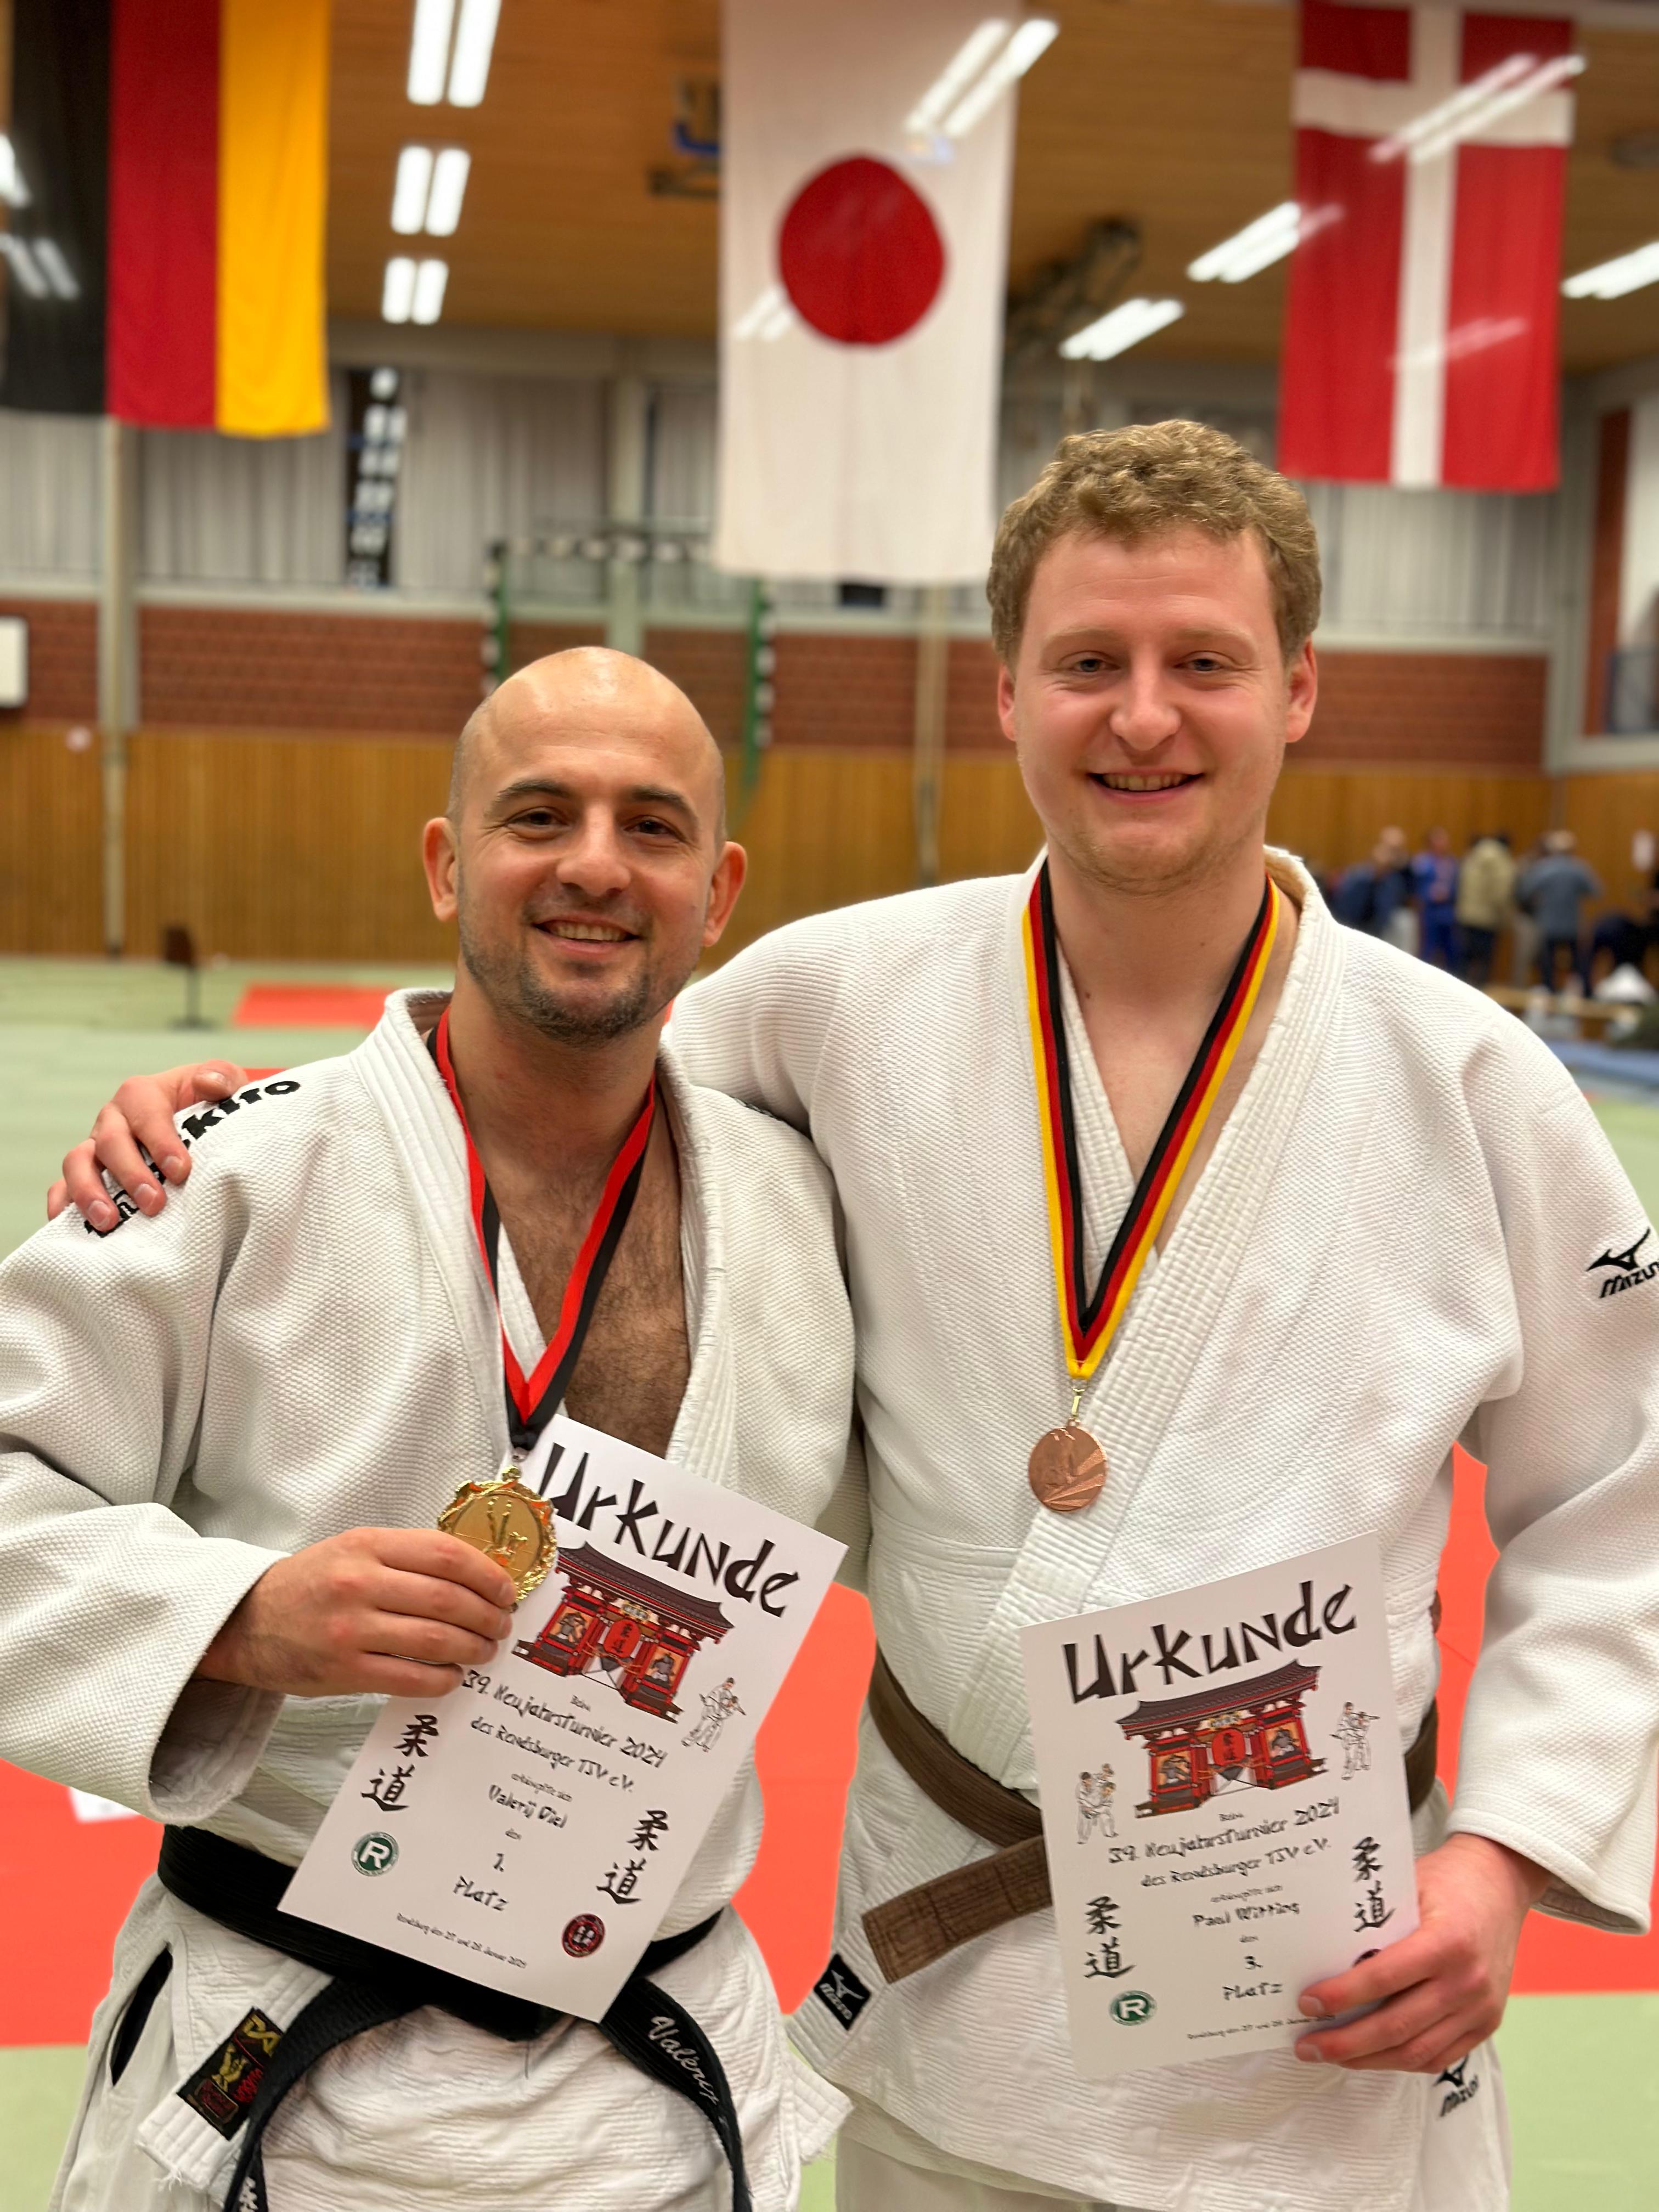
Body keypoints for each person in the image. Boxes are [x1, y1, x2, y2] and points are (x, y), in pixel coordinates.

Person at [57, 425, 1659, 2212]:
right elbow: (557, 1047)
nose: (1142, 715)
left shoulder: (1474, 1083)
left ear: (1297, 689)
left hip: (1324, 1981)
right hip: (953, 1988)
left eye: (1200, 662)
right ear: (1004, 697)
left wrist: (1505, 1856)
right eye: (1086, 665)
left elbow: (1620, 1497)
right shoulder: (837, 1000)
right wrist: (250, 1111)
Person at [7, 650, 857, 2212]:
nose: (595, 863)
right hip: (292, 2072)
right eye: (539, 814)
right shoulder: (225, 1175)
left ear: (719, 889)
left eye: (651, 827)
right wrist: (235, 1618)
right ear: (446, 860)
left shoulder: (804, 1203)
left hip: (655, 2086)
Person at [1516, 828, 1602, 994]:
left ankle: (1549, 992)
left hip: (1548, 924)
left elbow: (1525, 891)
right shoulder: (1579, 869)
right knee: (1577, 961)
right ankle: (1580, 992)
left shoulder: (1544, 869)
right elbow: (1596, 891)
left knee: (1548, 963)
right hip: (1572, 925)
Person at [1454, 833, 1515, 986]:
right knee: (1484, 961)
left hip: (1467, 915)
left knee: (1465, 958)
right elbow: (1501, 892)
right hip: (1488, 917)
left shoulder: (1473, 855)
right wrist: (1506, 917)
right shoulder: (1500, 859)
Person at [1411, 828, 1459, 970]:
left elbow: (1457, 886)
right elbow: (1415, 887)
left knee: (1451, 949)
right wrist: (1429, 895)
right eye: (1439, 839)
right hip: (1429, 911)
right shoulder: (1422, 861)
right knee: (1428, 948)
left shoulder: (1451, 862)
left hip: (1448, 912)